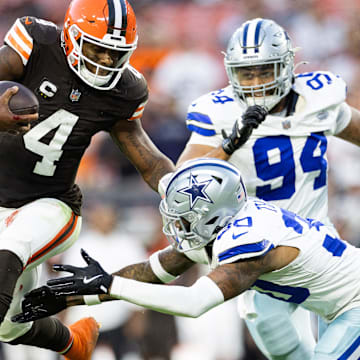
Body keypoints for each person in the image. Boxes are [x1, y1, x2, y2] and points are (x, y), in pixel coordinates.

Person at [12, 158, 360, 360]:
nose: (175, 226)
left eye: (183, 218)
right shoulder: (221, 224)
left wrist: (111, 284)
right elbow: (151, 272)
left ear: (211, 215)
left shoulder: (249, 242)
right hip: (331, 302)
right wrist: (68, 295)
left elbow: (194, 302)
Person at [170, 18, 360, 360]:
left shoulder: (318, 101)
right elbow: (185, 178)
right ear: (231, 73)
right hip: (258, 245)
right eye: (247, 74)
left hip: (317, 237)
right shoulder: (222, 114)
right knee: (274, 337)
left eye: (265, 71)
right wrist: (230, 143)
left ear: (286, 66)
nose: (256, 83)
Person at [0, 0, 174, 358]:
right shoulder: (36, 43)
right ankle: (73, 344)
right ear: (70, 36)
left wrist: (182, 191)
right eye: (98, 49)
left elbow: (148, 160)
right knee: (9, 323)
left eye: (115, 53)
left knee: (12, 246)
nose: (107, 62)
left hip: (50, 204)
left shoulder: (124, 91)